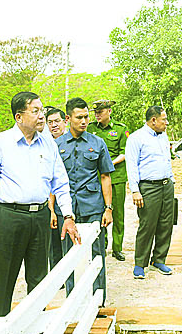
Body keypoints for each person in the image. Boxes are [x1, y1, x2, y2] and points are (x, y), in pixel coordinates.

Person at [0, 91, 79, 334]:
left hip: (40, 216)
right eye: (35, 110)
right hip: (9, 216)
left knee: (38, 278)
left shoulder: (48, 144)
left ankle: (34, 332)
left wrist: (68, 215)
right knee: (3, 278)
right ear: (19, 116)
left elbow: (61, 182)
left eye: (42, 110)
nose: (42, 115)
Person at [55, 98, 115, 305]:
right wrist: (52, 210)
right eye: (79, 117)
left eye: (86, 117)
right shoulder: (56, 145)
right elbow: (52, 181)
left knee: (96, 253)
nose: (84, 121)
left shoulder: (97, 143)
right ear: (68, 118)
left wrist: (108, 208)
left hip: (92, 206)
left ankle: (98, 300)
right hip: (66, 209)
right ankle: (73, 302)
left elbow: (105, 176)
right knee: (69, 255)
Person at [126, 105, 174, 280]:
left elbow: (166, 160)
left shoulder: (163, 136)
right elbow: (131, 165)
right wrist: (135, 191)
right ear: (153, 120)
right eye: (164, 119)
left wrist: (172, 180)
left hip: (166, 185)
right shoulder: (136, 138)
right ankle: (140, 264)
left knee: (166, 224)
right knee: (147, 225)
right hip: (148, 187)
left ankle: (159, 260)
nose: (166, 123)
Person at [90, 100, 129, 262]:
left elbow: (124, 153)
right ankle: (102, 245)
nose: (97, 115)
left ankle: (117, 248)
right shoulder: (91, 128)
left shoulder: (120, 129)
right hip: (97, 178)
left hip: (116, 177)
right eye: (95, 112)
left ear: (109, 111)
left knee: (118, 214)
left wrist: (108, 163)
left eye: (100, 112)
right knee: (100, 212)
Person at [44, 108, 69, 273]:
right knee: (54, 246)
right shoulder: (44, 144)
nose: (54, 125)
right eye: (50, 122)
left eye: (57, 121)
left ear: (65, 121)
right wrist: (51, 208)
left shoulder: (73, 141)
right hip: (51, 202)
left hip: (70, 200)